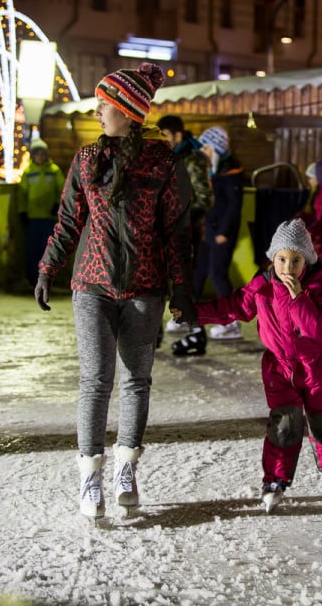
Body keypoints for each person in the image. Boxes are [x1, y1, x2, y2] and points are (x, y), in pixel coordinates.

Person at [33, 62, 196, 520]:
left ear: (128, 110)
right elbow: (68, 219)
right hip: (92, 285)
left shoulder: (163, 162)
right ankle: (90, 476)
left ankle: (126, 469)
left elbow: (177, 232)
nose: (98, 110)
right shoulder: (88, 159)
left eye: (106, 103)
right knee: (96, 380)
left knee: (136, 380)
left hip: (145, 288)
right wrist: (48, 267)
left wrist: (182, 289)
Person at [172, 218, 322, 513]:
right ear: (272, 259)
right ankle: (275, 479)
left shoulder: (317, 290)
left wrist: (298, 297)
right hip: (279, 371)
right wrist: (194, 315)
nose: (287, 268)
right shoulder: (262, 287)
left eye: (296, 261)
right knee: (284, 424)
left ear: (307, 263)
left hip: (318, 369)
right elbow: (231, 308)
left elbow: (317, 329)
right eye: (281, 259)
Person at [172, 125, 245, 355]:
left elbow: (233, 206)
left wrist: (224, 231)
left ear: (216, 149)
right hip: (205, 231)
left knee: (217, 274)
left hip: (221, 234)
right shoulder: (207, 171)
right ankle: (187, 314)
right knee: (197, 272)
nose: (202, 150)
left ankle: (232, 322)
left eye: (206, 146)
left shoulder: (230, 171)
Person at [157, 114, 212, 335]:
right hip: (161, 228)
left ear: (178, 135)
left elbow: (204, 197)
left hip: (185, 230)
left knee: (184, 277)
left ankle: (192, 325)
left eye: (166, 136)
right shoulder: (163, 157)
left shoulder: (193, 159)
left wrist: (182, 218)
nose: (163, 140)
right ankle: (165, 322)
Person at [18, 138, 66, 287]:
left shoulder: (54, 170)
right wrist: (22, 211)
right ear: (33, 155)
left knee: (48, 250)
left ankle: (48, 277)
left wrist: (57, 205)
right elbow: (22, 194)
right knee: (33, 249)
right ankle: (33, 278)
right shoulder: (28, 172)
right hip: (33, 218)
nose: (40, 156)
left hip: (49, 217)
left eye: (42, 153)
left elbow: (63, 190)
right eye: (37, 153)